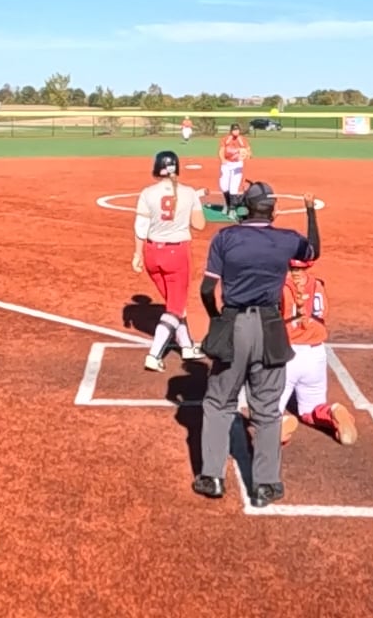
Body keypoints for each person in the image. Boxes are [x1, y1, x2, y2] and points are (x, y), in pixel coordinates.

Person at [194, 181, 312, 508]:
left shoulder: (225, 238)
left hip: (234, 323)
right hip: (271, 327)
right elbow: (313, 250)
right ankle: (265, 485)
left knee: (219, 402)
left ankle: (212, 477)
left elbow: (207, 289)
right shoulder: (286, 239)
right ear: (273, 210)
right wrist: (310, 211)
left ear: (245, 207)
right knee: (267, 408)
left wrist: (217, 318)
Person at [275, 194, 357, 446]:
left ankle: (279, 424)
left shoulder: (279, 286)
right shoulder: (318, 284)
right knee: (311, 411)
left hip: (287, 356)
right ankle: (333, 412)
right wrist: (310, 210)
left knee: (266, 412)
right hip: (317, 354)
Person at [132, 150, 209, 371]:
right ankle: (154, 354)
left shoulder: (147, 193)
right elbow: (200, 225)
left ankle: (186, 346)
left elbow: (141, 227)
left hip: (151, 253)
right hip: (177, 254)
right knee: (175, 307)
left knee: (176, 303)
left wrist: (137, 254)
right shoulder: (189, 193)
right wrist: (194, 202)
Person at [217, 123, 250, 216]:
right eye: (234, 130)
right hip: (226, 164)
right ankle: (227, 204)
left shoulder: (242, 140)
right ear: (231, 131)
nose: (236, 132)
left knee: (233, 187)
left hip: (237, 165)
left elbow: (248, 151)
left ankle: (232, 209)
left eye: (237, 130)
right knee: (224, 186)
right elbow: (221, 151)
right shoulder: (226, 139)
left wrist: (246, 155)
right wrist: (223, 159)